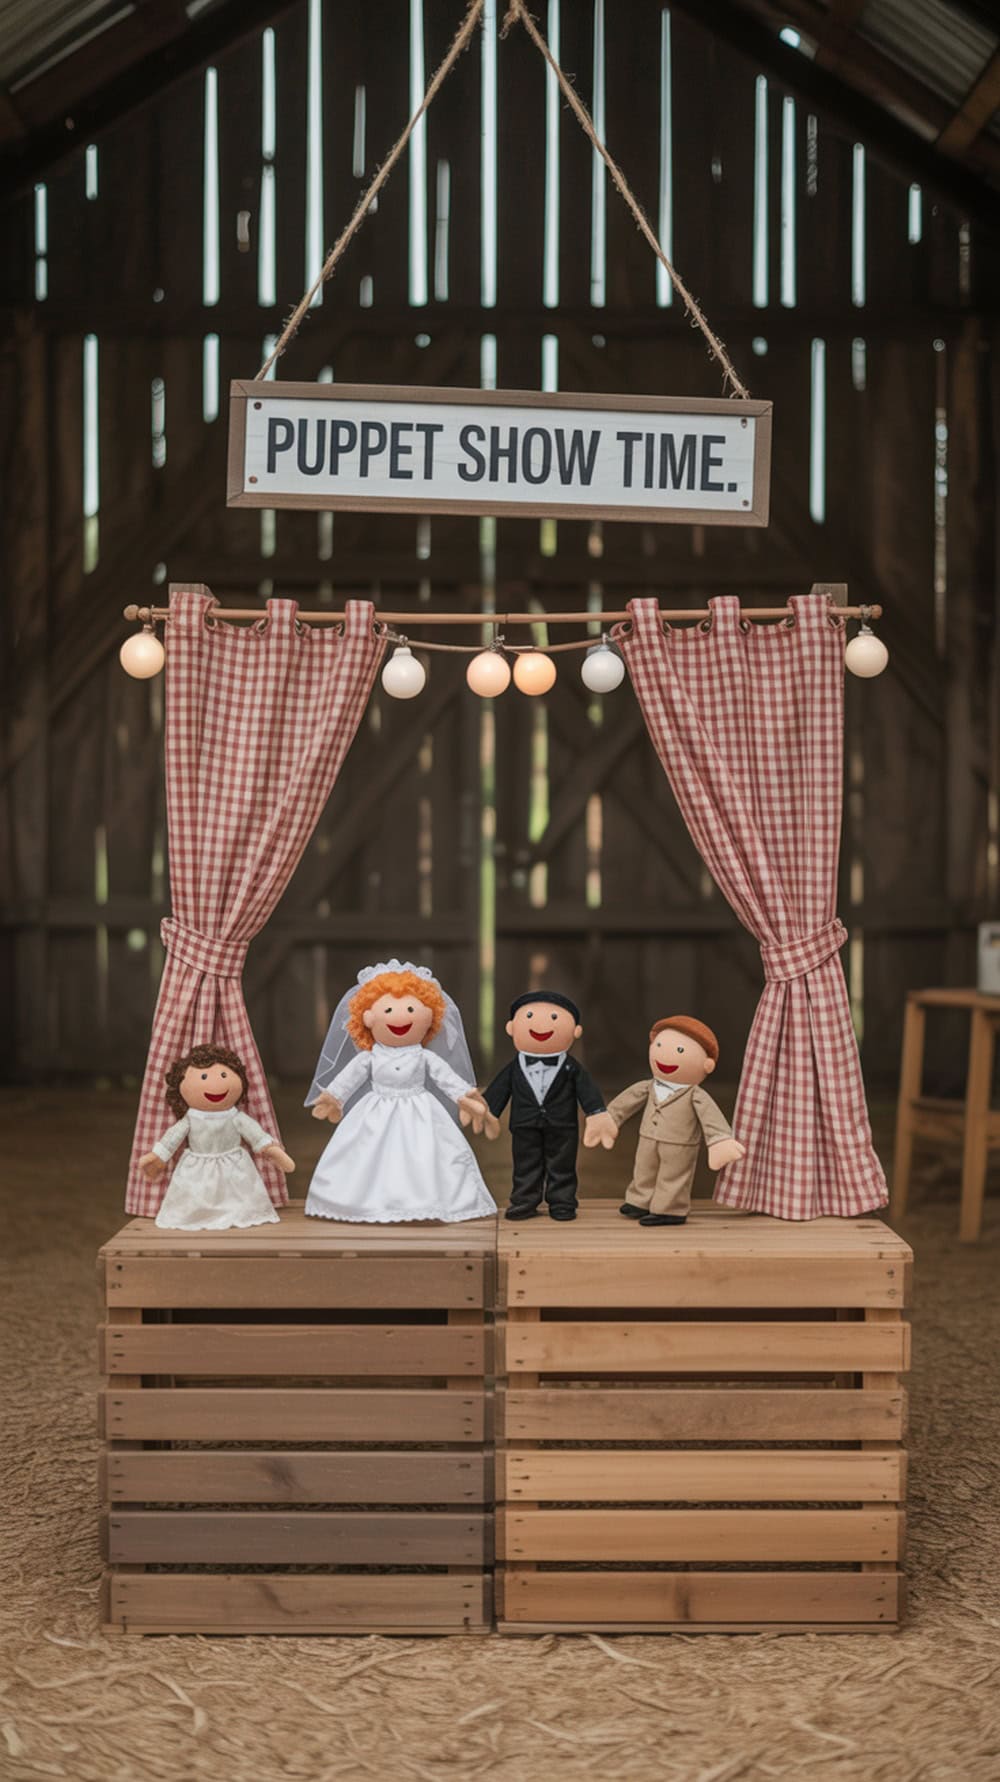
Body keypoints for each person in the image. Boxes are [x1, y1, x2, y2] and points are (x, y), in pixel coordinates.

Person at [304, 960, 498, 1224]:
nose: (401, 1016)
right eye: (388, 1009)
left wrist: (465, 1098)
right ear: (368, 1017)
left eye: (410, 1008)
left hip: (420, 1110)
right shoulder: (369, 1057)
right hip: (374, 1111)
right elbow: (349, 1077)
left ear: (429, 1016)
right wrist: (334, 1097)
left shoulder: (424, 1057)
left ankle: (427, 1203)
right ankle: (362, 1203)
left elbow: (446, 1079)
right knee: (366, 1154)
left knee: (426, 1156)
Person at [591, 1016, 745, 1226]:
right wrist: (609, 1118)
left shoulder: (695, 1095)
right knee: (644, 1170)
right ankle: (639, 1200)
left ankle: (670, 1209)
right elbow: (626, 1102)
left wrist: (719, 1140)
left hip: (679, 1143)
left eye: (680, 1051)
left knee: (673, 1176)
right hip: (647, 1137)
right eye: (660, 1045)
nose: (665, 1054)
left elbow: (711, 1117)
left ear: (707, 1065)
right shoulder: (648, 1086)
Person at [482, 990, 616, 1222]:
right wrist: (487, 1111)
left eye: (555, 1018)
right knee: (525, 1164)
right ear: (511, 1028)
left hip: (563, 1126)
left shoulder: (572, 1068)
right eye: (530, 1016)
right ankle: (524, 1200)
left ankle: (562, 1202)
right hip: (524, 1124)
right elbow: (499, 1090)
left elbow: (587, 1091)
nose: (540, 1024)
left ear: (575, 1031)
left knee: (562, 1164)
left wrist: (596, 1113)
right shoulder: (514, 1067)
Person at [138, 1042, 294, 1231]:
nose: (215, 1083)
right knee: (193, 1198)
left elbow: (255, 1134)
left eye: (223, 1075)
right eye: (203, 1077)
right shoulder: (190, 1118)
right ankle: (196, 1215)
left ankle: (240, 1213)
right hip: (197, 1167)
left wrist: (271, 1150)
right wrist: (158, 1157)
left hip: (234, 1166)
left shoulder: (235, 1116)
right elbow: (172, 1138)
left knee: (241, 1199)